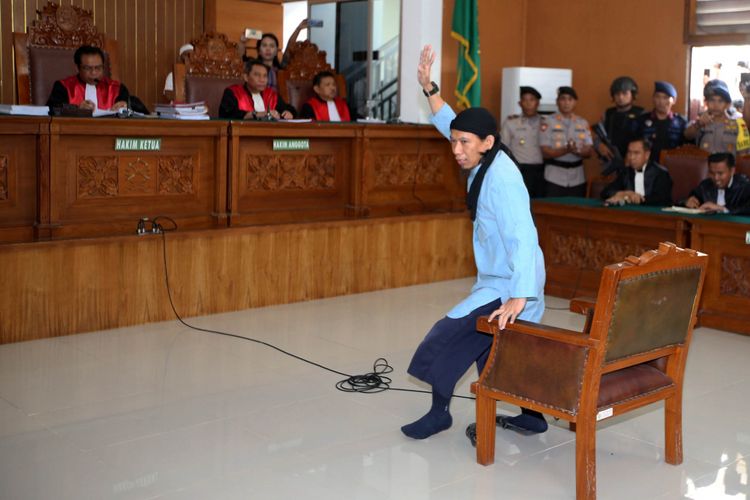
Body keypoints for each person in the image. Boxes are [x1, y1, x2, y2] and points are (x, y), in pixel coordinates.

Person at [401, 45, 547, 441]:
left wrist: (519, 295)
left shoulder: (503, 179)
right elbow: (451, 122)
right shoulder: (485, 156)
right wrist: (429, 86)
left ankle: (439, 413)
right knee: (498, 351)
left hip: (511, 282)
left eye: (464, 143)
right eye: (454, 142)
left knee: (447, 335)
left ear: (487, 141)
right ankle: (532, 418)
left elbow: (523, 237)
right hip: (501, 278)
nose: (456, 150)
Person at [539, 86, 593, 197]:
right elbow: (545, 152)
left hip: (577, 177)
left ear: (575, 102)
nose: (566, 103)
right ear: (557, 102)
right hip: (554, 177)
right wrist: (566, 150)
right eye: (563, 99)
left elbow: (589, 151)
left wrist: (577, 151)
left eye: (570, 99)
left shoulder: (583, 123)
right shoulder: (547, 122)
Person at [46, 45, 129, 112]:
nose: (93, 73)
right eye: (88, 68)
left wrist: (126, 106)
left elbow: (139, 108)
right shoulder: (63, 87)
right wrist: (77, 108)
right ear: (77, 68)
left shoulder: (116, 88)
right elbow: (52, 109)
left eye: (98, 68)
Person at [238, 20, 309, 92]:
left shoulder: (280, 69)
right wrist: (242, 42)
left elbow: (289, 49)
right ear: (259, 51)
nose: (268, 49)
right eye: (264, 45)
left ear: (276, 51)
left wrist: (298, 29)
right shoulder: (252, 66)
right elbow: (240, 58)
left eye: (272, 46)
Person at [500, 86, 546, 197]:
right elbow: (503, 148)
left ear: (538, 103)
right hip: (519, 170)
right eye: (525, 100)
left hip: (542, 171)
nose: (528, 103)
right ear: (520, 103)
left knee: (541, 205)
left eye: (532, 100)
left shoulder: (546, 122)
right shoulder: (511, 122)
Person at [684, 80, 750, 155]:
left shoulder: (738, 124)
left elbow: (744, 154)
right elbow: (687, 135)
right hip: (704, 165)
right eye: (712, 100)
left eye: (720, 101)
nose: (715, 105)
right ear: (706, 103)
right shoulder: (701, 122)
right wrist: (699, 123)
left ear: (728, 104)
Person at [600, 138, 673, 206]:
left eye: (636, 153)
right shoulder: (626, 172)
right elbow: (605, 192)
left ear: (647, 155)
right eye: (629, 153)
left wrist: (638, 199)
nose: (632, 157)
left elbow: (662, 199)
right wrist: (624, 193)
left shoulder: (661, 173)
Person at [594, 76, 644, 173]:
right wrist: (599, 146)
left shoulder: (641, 114)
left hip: (634, 164)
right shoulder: (608, 113)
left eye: (625, 93)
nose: (621, 97)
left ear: (632, 95)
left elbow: (646, 142)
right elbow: (597, 135)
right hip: (611, 163)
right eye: (617, 94)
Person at [218, 59, 295, 120]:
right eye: (257, 75)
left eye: (265, 76)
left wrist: (288, 112)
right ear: (246, 77)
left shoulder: (271, 95)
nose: (262, 80)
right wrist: (257, 114)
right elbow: (227, 115)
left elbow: (288, 109)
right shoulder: (233, 92)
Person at [636, 81, 687, 163]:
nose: (661, 101)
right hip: (647, 165)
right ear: (653, 98)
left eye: (665, 98)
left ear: (673, 100)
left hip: (672, 166)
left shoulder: (681, 122)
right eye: (657, 97)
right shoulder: (642, 120)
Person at [684, 152, 750, 213]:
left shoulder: (745, 186)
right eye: (712, 173)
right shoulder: (705, 186)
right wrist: (687, 202)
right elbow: (686, 199)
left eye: (720, 173)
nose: (716, 178)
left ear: (732, 171)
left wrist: (722, 209)